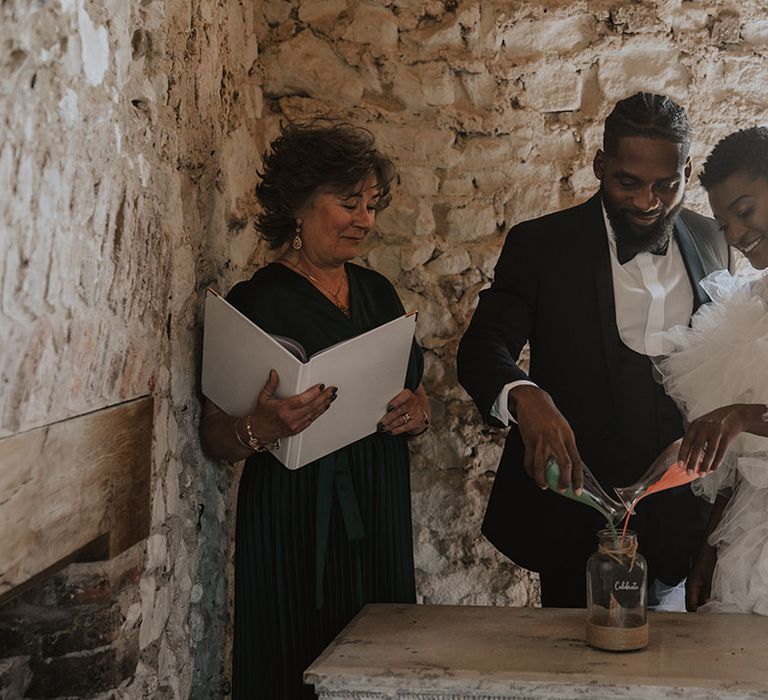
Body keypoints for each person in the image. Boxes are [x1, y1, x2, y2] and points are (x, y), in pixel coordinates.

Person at [457, 92, 730, 608]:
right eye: (627, 181)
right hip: (575, 520)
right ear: (600, 165)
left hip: (683, 524)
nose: (648, 201)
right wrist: (525, 395)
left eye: (666, 185)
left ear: (687, 171)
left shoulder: (714, 239)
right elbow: (482, 347)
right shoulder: (541, 245)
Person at [200, 123, 430, 699]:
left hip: (377, 497)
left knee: (379, 660)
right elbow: (215, 437)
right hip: (294, 508)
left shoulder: (379, 293)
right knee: (292, 656)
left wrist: (418, 412)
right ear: (298, 206)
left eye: (372, 205)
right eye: (349, 203)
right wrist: (264, 426)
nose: (365, 219)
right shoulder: (255, 302)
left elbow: (413, 392)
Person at [654, 126, 768, 614]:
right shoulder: (755, 306)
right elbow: (742, 463)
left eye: (745, 212)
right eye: (724, 225)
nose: (737, 236)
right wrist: (708, 550)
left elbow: (746, 422)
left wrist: (743, 414)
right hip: (751, 533)